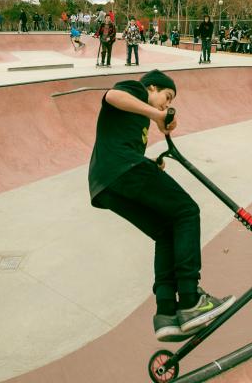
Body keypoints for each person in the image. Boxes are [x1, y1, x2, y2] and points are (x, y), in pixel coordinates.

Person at [88, 70, 236, 342]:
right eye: (166, 98)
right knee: (187, 212)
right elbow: (112, 96)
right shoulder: (135, 89)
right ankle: (191, 300)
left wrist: (151, 163)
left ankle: (166, 311)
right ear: (153, 87)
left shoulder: (138, 119)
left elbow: (120, 143)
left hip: (107, 184)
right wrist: (156, 115)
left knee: (166, 232)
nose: (166, 105)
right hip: (122, 170)